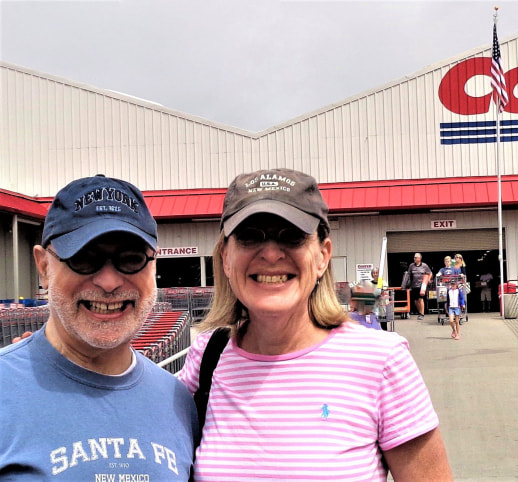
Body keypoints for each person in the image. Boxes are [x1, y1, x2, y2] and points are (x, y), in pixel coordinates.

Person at [177, 168, 452, 481]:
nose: (269, 253)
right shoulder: (206, 357)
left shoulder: (380, 360)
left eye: (292, 236)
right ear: (226, 257)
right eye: (250, 236)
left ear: (323, 255)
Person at [0, 175, 199, 480]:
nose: (109, 282)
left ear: (154, 266)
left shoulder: (178, 401)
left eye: (131, 259)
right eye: (84, 258)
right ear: (44, 268)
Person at [407, 252, 433, 320]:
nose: (414, 259)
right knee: (415, 301)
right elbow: (408, 275)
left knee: (420, 299)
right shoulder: (411, 265)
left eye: (416, 257)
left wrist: (428, 280)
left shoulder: (424, 266)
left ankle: (422, 314)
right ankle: (420, 312)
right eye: (414, 257)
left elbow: (430, 273)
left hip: (422, 285)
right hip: (413, 285)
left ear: (420, 258)